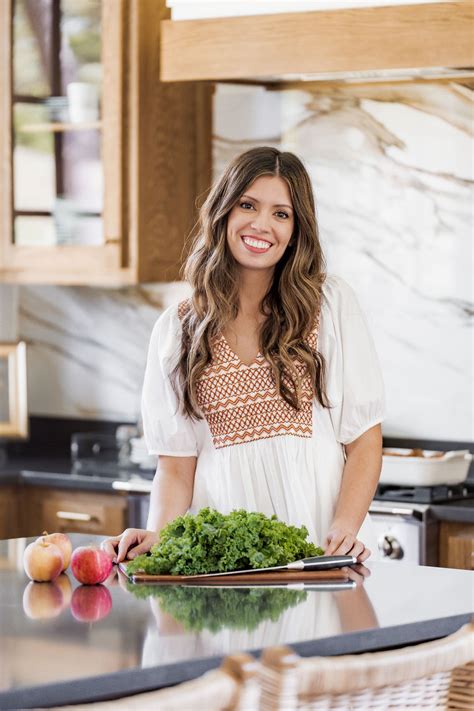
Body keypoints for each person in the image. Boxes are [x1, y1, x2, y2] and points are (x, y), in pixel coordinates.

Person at [102, 146, 385, 565]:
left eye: (281, 213)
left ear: (297, 229)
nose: (261, 224)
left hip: (316, 551)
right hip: (223, 566)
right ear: (224, 212)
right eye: (247, 205)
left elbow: (364, 440)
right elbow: (177, 468)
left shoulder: (329, 305)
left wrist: (345, 527)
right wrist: (158, 535)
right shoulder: (178, 329)